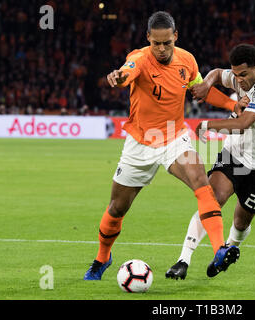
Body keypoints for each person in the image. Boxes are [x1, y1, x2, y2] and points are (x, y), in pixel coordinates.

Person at [84, 11, 241, 281]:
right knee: (117, 208)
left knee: (199, 177)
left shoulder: (187, 60)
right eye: (156, 43)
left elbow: (201, 90)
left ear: (175, 37)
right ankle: (102, 258)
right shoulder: (139, 59)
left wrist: (231, 104)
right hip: (139, 141)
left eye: (166, 42)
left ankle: (219, 249)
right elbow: (126, 74)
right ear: (148, 39)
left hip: (172, 134)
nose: (161, 49)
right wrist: (118, 78)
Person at [165, 44, 255, 280]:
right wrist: (207, 83)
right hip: (233, 155)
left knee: (241, 221)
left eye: (243, 75)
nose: (238, 80)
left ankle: (229, 247)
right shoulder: (238, 77)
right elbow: (218, 74)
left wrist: (208, 124)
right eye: (236, 74)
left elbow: (242, 124)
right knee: (212, 197)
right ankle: (183, 260)